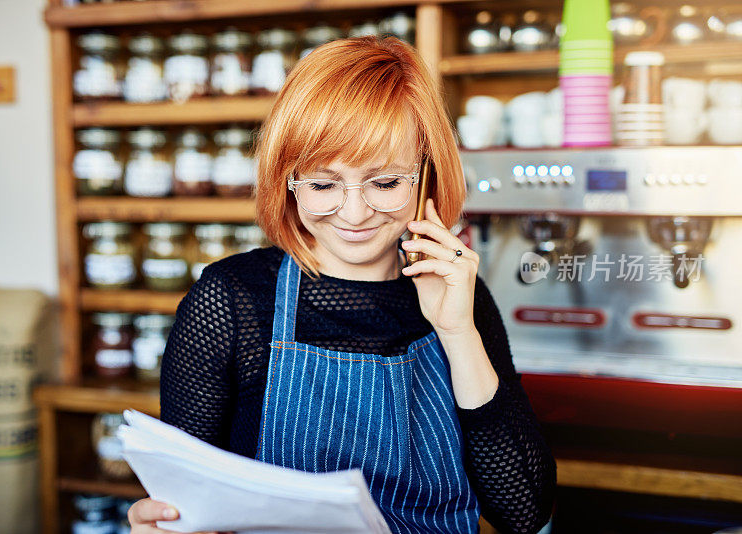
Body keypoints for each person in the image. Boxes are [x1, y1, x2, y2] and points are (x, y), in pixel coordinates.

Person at [128, 35, 556, 534]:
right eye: (323, 184)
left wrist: (458, 333)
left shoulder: (459, 293)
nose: (354, 214)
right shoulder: (231, 301)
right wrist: (161, 524)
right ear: (287, 181)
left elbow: (525, 512)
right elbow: (185, 503)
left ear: (425, 176)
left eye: (386, 182)